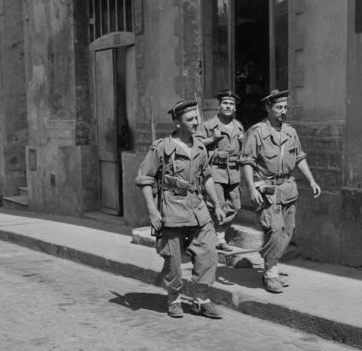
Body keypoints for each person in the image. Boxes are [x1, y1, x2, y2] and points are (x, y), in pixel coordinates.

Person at [135, 99, 226, 319]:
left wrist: (217, 204)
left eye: (197, 118)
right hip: (171, 208)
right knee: (173, 261)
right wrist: (152, 211)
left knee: (208, 253)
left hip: (197, 208)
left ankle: (201, 298)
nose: (196, 122)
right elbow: (144, 179)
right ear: (177, 122)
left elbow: (206, 178)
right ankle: (174, 298)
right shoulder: (161, 148)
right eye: (190, 119)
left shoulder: (200, 146)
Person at [240, 89, 321, 293]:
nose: (283, 111)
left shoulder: (290, 132)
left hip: (287, 188)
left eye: (285, 107)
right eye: (278, 107)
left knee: (287, 231)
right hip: (267, 189)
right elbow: (247, 162)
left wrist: (311, 180)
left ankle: (270, 263)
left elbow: (299, 157)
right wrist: (251, 188)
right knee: (274, 230)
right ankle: (271, 272)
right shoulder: (256, 132)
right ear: (268, 108)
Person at [195, 90, 245, 252]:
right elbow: (195, 145)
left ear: (235, 108)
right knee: (216, 205)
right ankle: (216, 238)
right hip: (215, 171)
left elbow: (243, 149)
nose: (228, 106)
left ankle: (218, 235)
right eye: (225, 103)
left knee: (234, 205)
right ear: (219, 106)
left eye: (231, 104)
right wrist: (212, 139)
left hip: (234, 172)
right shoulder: (209, 125)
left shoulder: (239, 126)